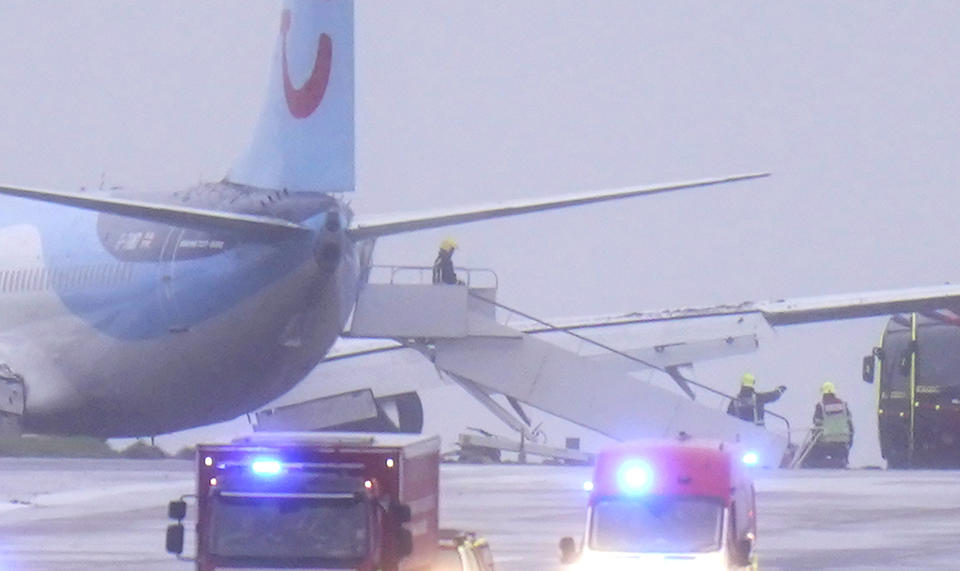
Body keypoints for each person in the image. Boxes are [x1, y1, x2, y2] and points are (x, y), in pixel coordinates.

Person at [805, 381, 854, 468]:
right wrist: (849, 444)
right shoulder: (843, 405)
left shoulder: (821, 406)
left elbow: (817, 426)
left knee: (808, 459)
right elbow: (850, 426)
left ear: (823, 394)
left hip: (825, 443)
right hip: (842, 444)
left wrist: (813, 442)